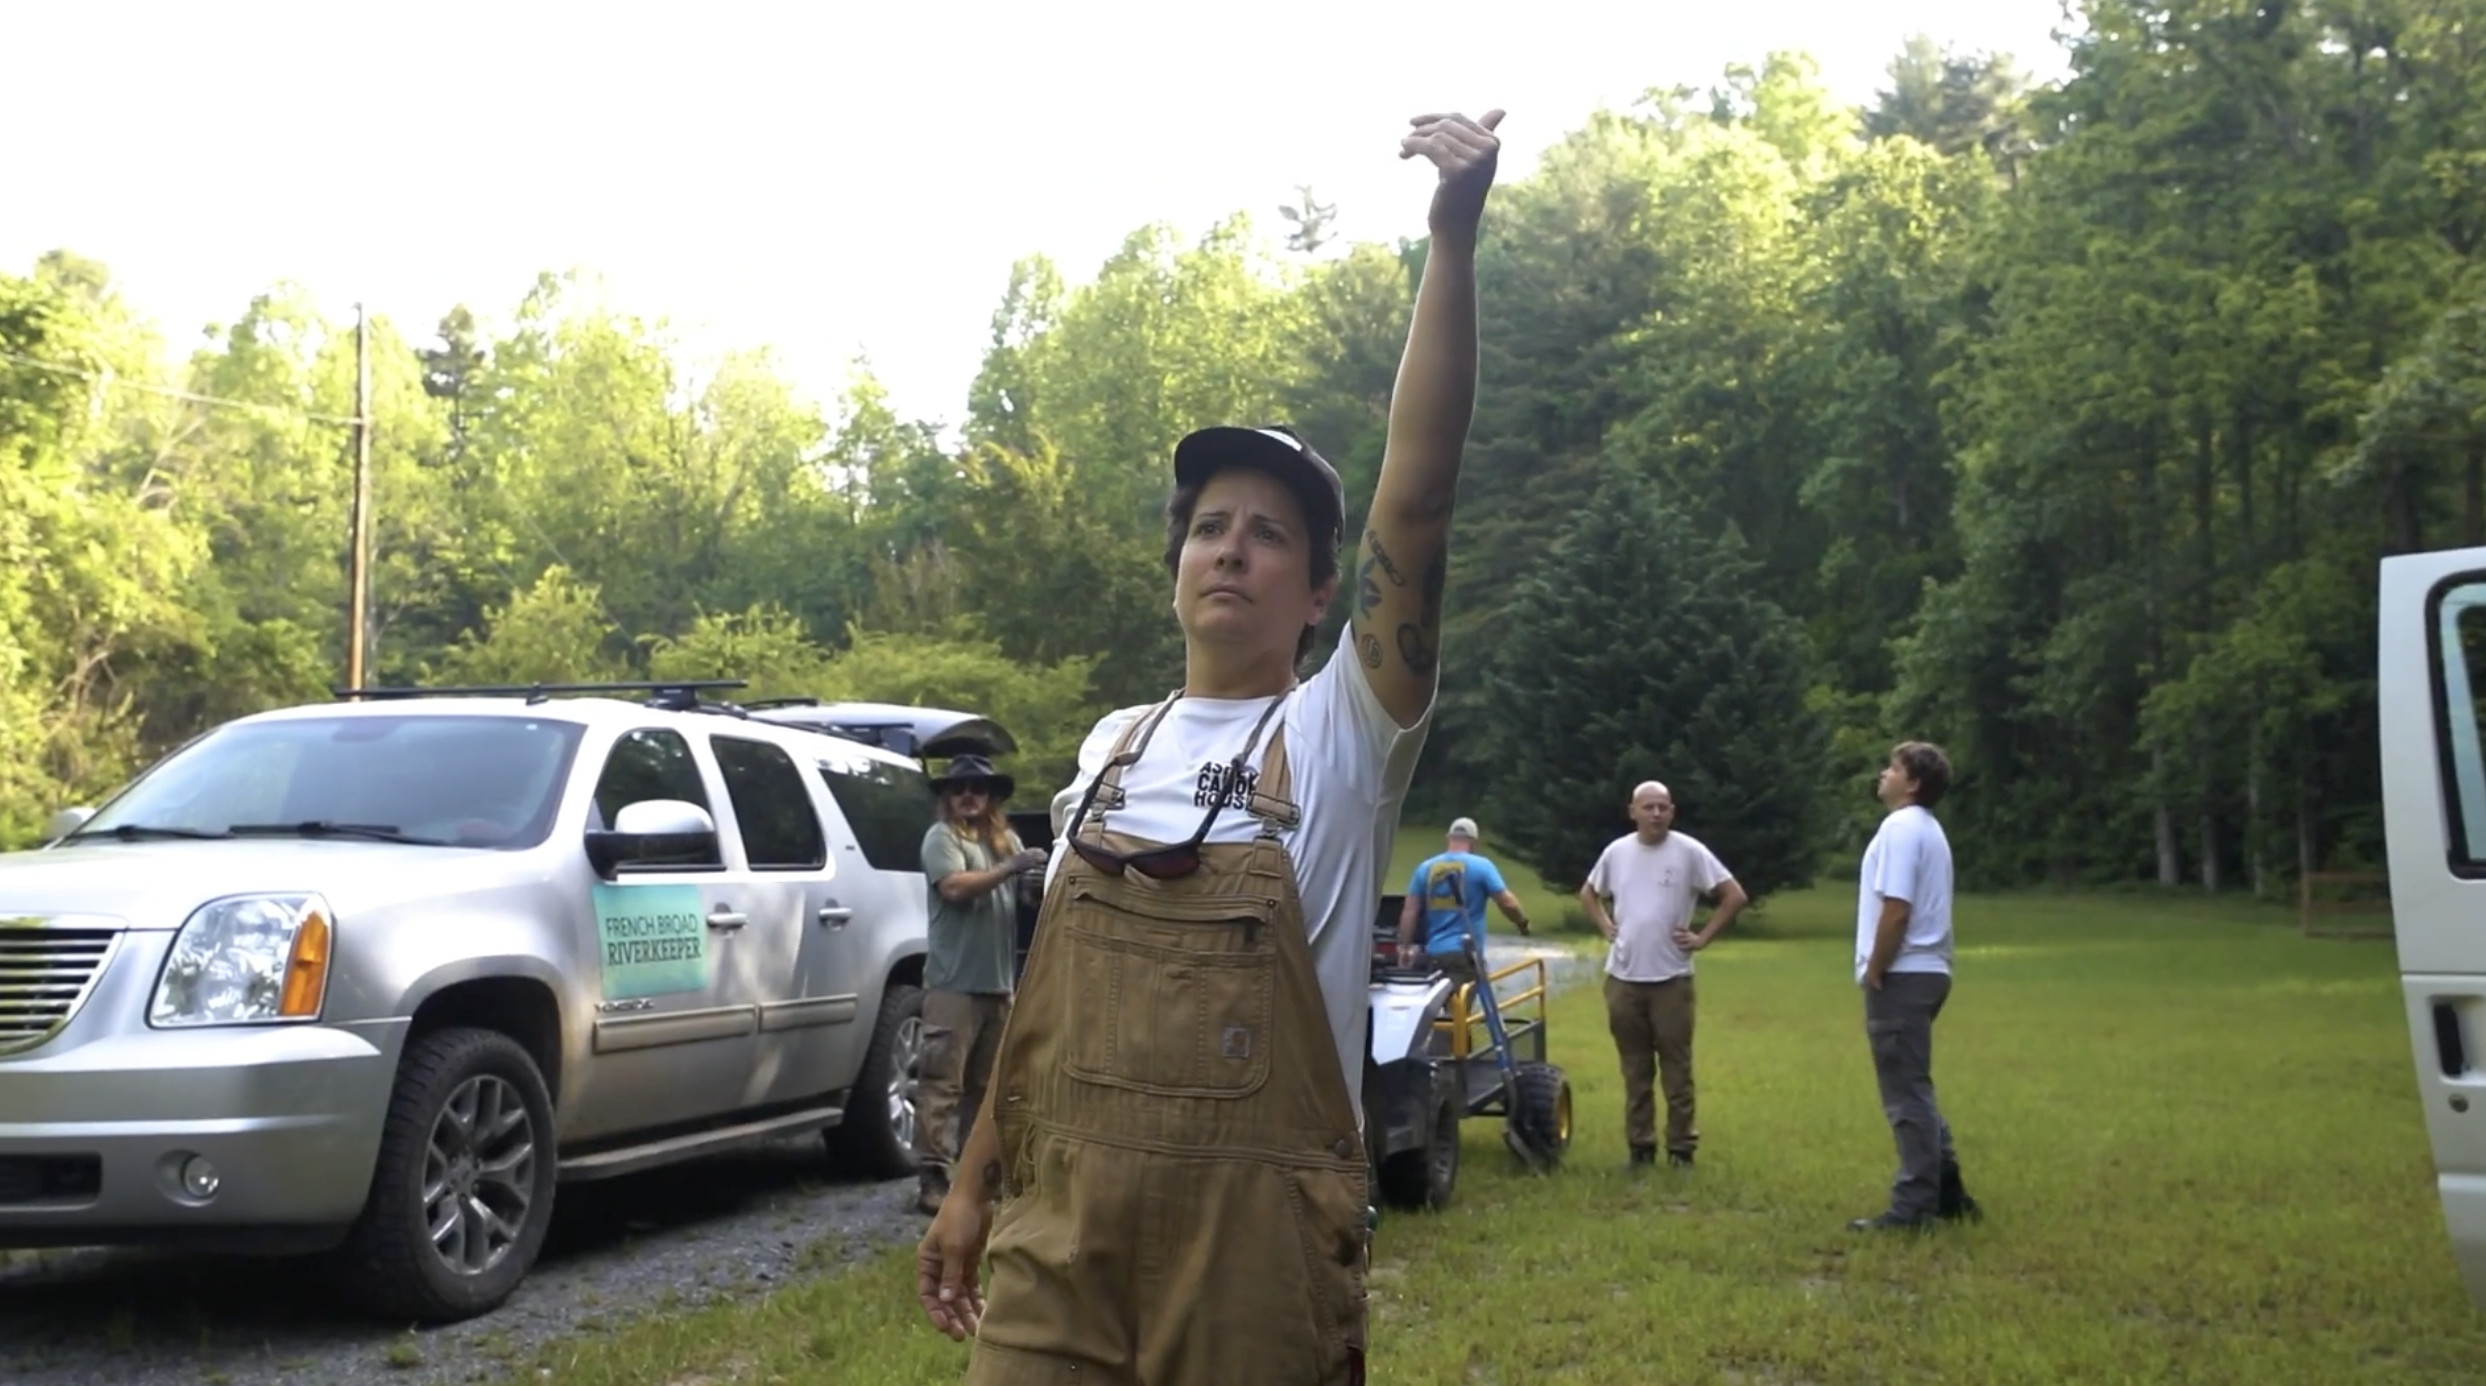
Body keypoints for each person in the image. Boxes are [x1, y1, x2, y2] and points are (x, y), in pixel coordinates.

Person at [915, 106, 1506, 1386]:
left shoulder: (1344, 733)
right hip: (1056, 1234)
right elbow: (1043, 1014)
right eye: (1208, 526)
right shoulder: (1111, 749)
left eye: (1270, 534)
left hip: (1253, 1254)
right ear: (1177, 566)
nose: (1230, 546)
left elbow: (1420, 486)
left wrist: (1449, 238)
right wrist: (973, 1186)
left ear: (1317, 598)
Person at [1576, 780, 1747, 1170]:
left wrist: (1702, 937)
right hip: (1624, 978)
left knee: (1677, 1068)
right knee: (1635, 1069)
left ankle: (1681, 1149)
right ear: (1632, 811)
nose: (1656, 814)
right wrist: (1605, 926)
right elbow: (1589, 893)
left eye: (1663, 807)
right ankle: (1640, 1147)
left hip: (1671, 979)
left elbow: (1734, 894)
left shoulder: (1688, 852)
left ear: (1672, 811)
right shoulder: (1617, 852)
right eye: (1648, 807)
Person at [1849, 740, 1981, 1232]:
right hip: (1930, 971)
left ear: (1914, 782)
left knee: (1905, 1094)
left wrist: (1877, 966)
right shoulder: (1929, 830)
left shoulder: (1901, 829)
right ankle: (1947, 1193)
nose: (1883, 774)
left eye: (1893, 768)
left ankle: (1913, 1207)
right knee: (1916, 1085)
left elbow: (1896, 907)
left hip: (1903, 972)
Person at [915, 754, 1048, 1216]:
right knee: (941, 1084)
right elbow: (954, 888)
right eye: (958, 788)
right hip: (953, 985)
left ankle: (971, 1178)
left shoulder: (1003, 839)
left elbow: (1018, 897)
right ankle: (931, 1177)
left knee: (987, 1088)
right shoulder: (942, 838)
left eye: (977, 787)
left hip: (998, 985)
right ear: (947, 797)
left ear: (991, 796)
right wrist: (1012, 868)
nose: (968, 795)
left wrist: (1033, 883)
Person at [1395, 815, 1533, 989]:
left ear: (1448, 839)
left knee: (1439, 1010)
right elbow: (1507, 903)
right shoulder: (1482, 866)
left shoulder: (1425, 868)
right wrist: (1521, 923)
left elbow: (1410, 911)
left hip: (1434, 954)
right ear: (1474, 842)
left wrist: (1404, 947)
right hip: (1465, 955)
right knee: (1460, 1013)